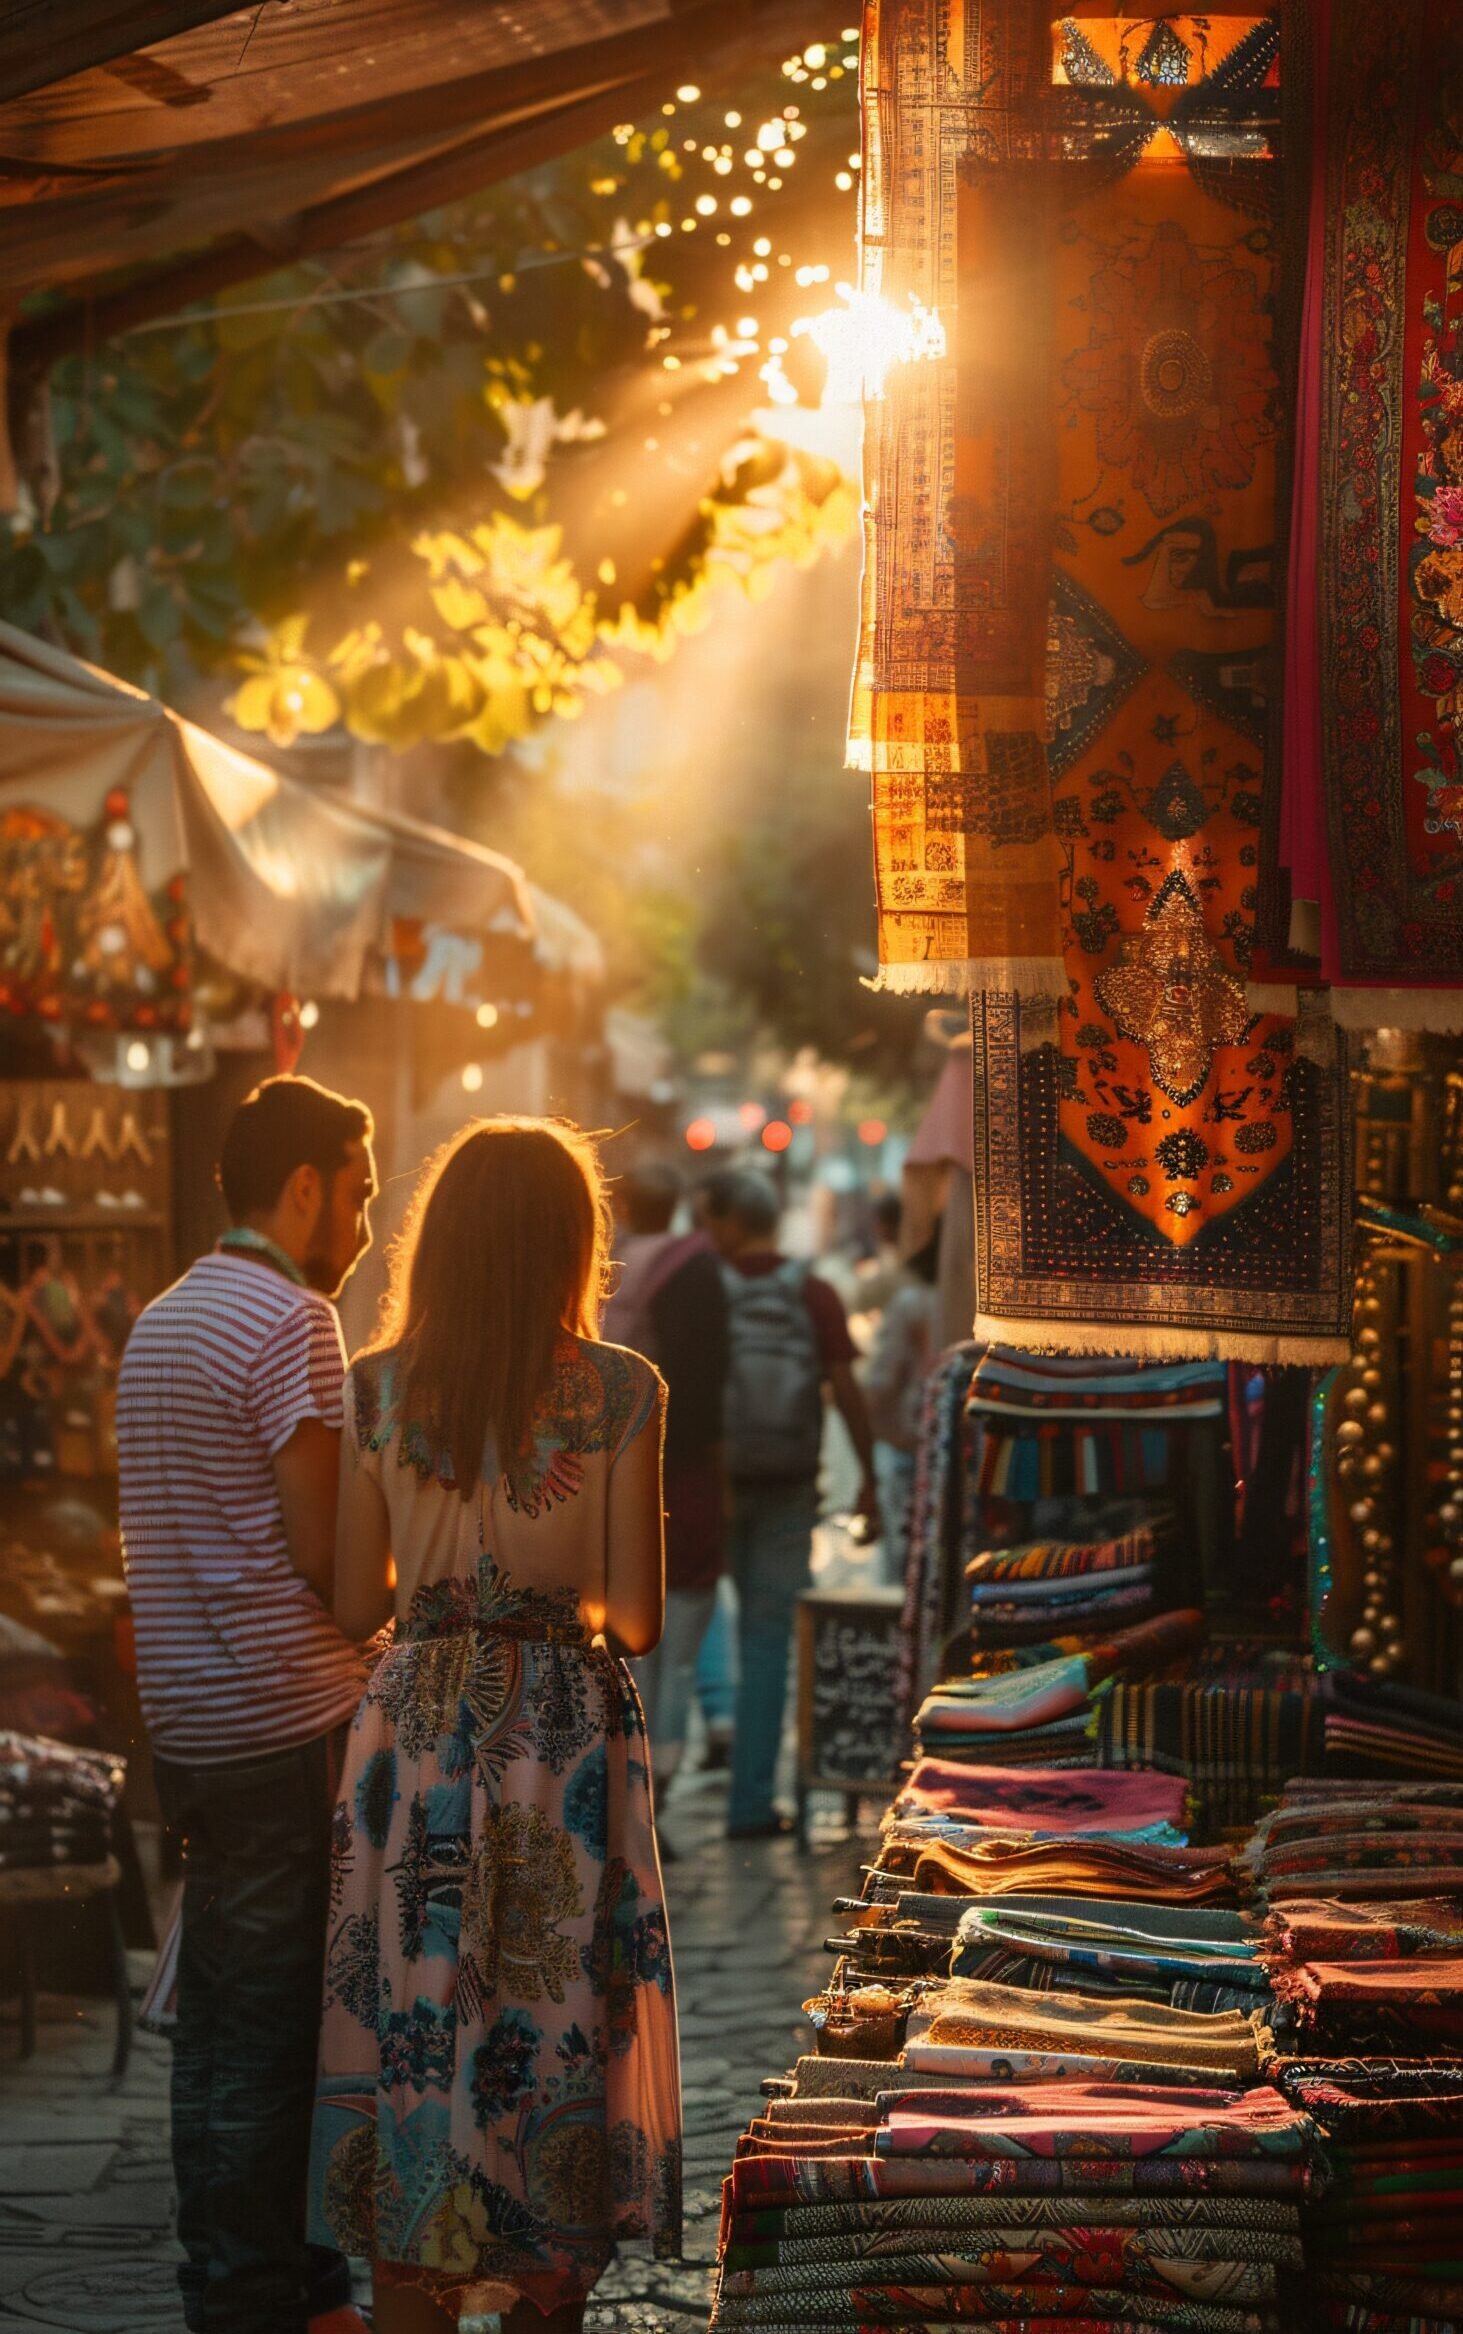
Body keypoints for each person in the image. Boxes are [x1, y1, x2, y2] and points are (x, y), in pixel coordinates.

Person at [311, 1117, 679, 2334]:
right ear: (574, 1241)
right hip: (558, 1736)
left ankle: (413, 2281)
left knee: (412, 2009)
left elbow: (357, 1599)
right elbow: (633, 1617)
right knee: (551, 2013)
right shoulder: (622, 1391)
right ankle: (536, 2278)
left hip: (411, 1729)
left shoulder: (373, 1385)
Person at [117, 1074, 378, 2334]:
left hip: (190, 1728)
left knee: (220, 2022)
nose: (369, 1225)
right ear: (308, 1187)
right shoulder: (292, 1322)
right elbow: (332, 1569)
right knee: (277, 2040)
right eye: (363, 1192)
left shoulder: (161, 1321)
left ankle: (245, 2280)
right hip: (286, 1723)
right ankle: (256, 2296)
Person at [698, 1167, 881, 1840]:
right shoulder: (813, 1291)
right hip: (788, 1483)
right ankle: (750, 1804)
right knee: (769, 1640)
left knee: (684, 1632)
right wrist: (868, 1476)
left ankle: (651, 1807)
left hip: (714, 1482)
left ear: (728, 1224)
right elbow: (845, 1388)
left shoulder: (706, 1291)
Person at [603, 1160, 730, 1803]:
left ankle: (627, 1779)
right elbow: (705, 1388)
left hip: (606, 1471)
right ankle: (658, 1784)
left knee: (624, 1647)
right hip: (677, 1479)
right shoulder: (693, 1268)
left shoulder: (609, 1268)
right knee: (674, 1646)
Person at [864, 1221, 943, 1584]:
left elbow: (882, 1381)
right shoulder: (985, 1305)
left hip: (908, 1445)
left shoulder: (913, 1303)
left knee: (904, 1561)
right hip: (964, 1450)